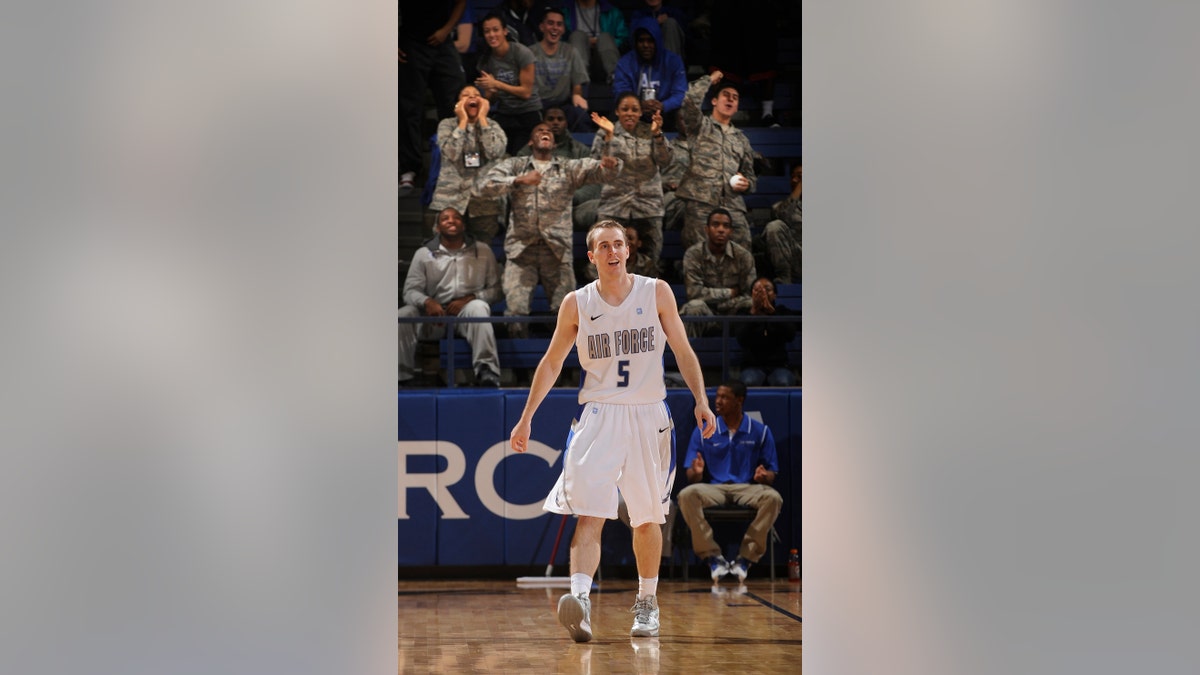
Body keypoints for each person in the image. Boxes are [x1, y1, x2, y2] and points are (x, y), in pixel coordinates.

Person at [509, 220, 717, 642]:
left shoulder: (656, 291)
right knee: (589, 513)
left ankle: (647, 603)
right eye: (603, 246)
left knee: (646, 518)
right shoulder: (577, 303)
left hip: (647, 415)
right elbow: (551, 363)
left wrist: (701, 399)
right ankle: (580, 601)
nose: (612, 251)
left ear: (628, 251)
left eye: (618, 244)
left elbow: (682, 348)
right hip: (599, 415)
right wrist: (527, 415)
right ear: (592, 256)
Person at [475, 123, 622, 338]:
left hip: (557, 250)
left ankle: (564, 370)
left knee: (567, 315)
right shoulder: (517, 165)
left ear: (554, 143)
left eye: (549, 133)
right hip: (521, 251)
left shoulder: (567, 167)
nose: (545, 132)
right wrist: (518, 180)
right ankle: (521, 371)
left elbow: (606, 172)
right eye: (539, 131)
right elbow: (483, 185)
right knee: (515, 316)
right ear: (530, 141)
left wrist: (610, 152)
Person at [678, 379, 782, 582]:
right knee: (686, 495)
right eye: (717, 396)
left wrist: (764, 476)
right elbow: (691, 476)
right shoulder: (705, 430)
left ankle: (745, 559)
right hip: (715, 487)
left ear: (739, 401)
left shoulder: (760, 431)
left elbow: (772, 473)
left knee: (773, 498)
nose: (718, 401)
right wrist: (697, 473)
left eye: (724, 397)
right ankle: (713, 557)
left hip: (746, 488)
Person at [398, 207, 503, 387]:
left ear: (463, 225)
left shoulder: (483, 251)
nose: (451, 221)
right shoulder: (424, 254)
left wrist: (469, 299)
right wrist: (427, 301)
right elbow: (409, 291)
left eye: (456, 218)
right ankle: (402, 376)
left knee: (479, 307)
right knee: (403, 315)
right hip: (434, 316)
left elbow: (496, 289)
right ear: (437, 228)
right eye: (445, 218)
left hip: (465, 314)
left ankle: (487, 371)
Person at [676, 71, 757, 251]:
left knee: (743, 250)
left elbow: (750, 177)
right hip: (700, 203)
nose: (730, 100)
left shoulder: (741, 139)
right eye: (725, 95)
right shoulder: (700, 126)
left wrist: (747, 184)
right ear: (714, 101)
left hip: (732, 205)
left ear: (737, 107)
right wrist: (709, 80)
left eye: (734, 98)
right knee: (696, 252)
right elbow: (689, 100)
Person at [588, 94, 672, 263]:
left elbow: (665, 160)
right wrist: (609, 138)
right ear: (617, 112)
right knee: (605, 258)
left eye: (635, 110)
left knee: (651, 259)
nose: (630, 113)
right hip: (614, 203)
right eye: (625, 109)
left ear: (641, 113)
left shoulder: (651, 131)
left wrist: (657, 135)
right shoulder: (606, 130)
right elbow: (595, 165)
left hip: (648, 204)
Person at [399, 0, 467, 194]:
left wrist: (447, 30)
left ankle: (452, 164)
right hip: (410, 41)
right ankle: (409, 169)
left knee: (453, 103)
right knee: (408, 108)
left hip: (442, 41)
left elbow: (461, 2)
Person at [429, 85, 508, 242]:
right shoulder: (447, 125)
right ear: (457, 103)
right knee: (446, 246)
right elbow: (451, 152)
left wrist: (483, 121)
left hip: (483, 200)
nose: (472, 97)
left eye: (477, 94)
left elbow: (495, 152)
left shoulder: (492, 125)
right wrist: (463, 121)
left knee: (482, 248)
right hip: (451, 198)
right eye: (466, 95)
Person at [679, 208, 756, 338]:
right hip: (706, 312)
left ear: (730, 231)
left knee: (751, 304)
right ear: (706, 229)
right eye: (715, 225)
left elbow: (748, 293)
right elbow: (694, 292)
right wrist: (729, 292)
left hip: (734, 314)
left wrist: (722, 304)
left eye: (726, 226)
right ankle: (687, 356)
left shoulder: (743, 256)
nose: (721, 229)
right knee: (694, 307)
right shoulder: (694, 254)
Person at [475, 12, 544, 156]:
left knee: (520, 154)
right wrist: (491, 91)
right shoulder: (486, 60)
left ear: (505, 31)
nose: (491, 35)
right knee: (496, 151)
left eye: (495, 30)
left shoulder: (522, 53)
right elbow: (491, 98)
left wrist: (497, 84)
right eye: (487, 31)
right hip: (505, 112)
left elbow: (526, 92)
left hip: (528, 111)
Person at [612, 17, 687, 130]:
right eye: (641, 41)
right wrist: (638, 105)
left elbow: (681, 93)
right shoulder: (625, 62)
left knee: (684, 112)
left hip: (665, 113)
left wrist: (663, 106)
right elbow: (620, 91)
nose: (646, 45)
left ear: (658, 41)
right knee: (618, 111)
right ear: (635, 42)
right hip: (634, 113)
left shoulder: (673, 61)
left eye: (650, 40)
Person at [532, 8, 591, 133]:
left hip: (563, 105)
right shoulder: (530, 52)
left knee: (581, 115)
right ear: (542, 27)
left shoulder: (571, 51)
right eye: (550, 23)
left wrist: (577, 94)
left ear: (563, 29)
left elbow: (577, 83)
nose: (555, 28)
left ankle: (582, 151)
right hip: (538, 104)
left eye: (559, 24)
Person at [735, 278, 798, 386]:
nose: (763, 293)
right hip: (751, 366)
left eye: (767, 289)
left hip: (779, 366)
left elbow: (790, 335)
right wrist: (754, 312)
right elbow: (741, 339)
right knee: (749, 382)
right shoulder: (743, 313)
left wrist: (773, 314)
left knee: (783, 382)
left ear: (775, 295)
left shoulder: (783, 312)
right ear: (752, 294)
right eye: (757, 290)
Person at [755, 162, 801, 283]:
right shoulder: (780, 207)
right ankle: (784, 278)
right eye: (793, 176)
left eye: (800, 177)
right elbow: (783, 215)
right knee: (774, 226)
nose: (795, 180)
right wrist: (799, 188)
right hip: (795, 258)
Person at [563, 0, 628, 85]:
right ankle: (579, 80)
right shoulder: (565, 11)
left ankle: (614, 77)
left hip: (603, 61)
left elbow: (623, 38)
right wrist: (586, 42)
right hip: (578, 60)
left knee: (605, 37)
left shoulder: (612, 12)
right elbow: (560, 41)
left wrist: (598, 42)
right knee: (577, 36)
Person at [582, 223, 660, 281]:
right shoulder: (598, 263)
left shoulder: (648, 264)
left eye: (630, 238)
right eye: (605, 246)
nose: (627, 241)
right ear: (591, 257)